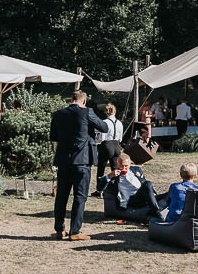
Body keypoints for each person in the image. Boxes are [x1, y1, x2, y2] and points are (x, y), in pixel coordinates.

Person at [50, 89, 109, 240]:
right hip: (82, 160)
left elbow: (54, 136)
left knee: (61, 196)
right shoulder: (86, 112)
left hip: (63, 160)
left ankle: (59, 230)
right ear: (84, 101)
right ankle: (75, 231)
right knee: (80, 197)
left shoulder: (58, 114)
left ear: (72, 99)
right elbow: (104, 127)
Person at [105, 152, 163, 221]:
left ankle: (174, 214)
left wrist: (153, 195)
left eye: (126, 166)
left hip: (144, 197)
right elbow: (99, 187)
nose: (124, 168)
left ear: (130, 164)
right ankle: (156, 212)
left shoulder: (136, 170)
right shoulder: (114, 177)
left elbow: (144, 185)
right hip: (132, 200)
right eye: (121, 166)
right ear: (117, 164)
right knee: (148, 183)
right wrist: (109, 176)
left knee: (172, 191)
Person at [93, 100, 124, 194]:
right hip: (117, 145)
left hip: (107, 145)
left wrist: (97, 142)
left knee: (101, 168)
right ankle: (116, 189)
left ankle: (99, 189)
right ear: (114, 112)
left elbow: (102, 137)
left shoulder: (105, 122)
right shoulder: (120, 123)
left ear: (107, 112)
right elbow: (121, 138)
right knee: (115, 169)